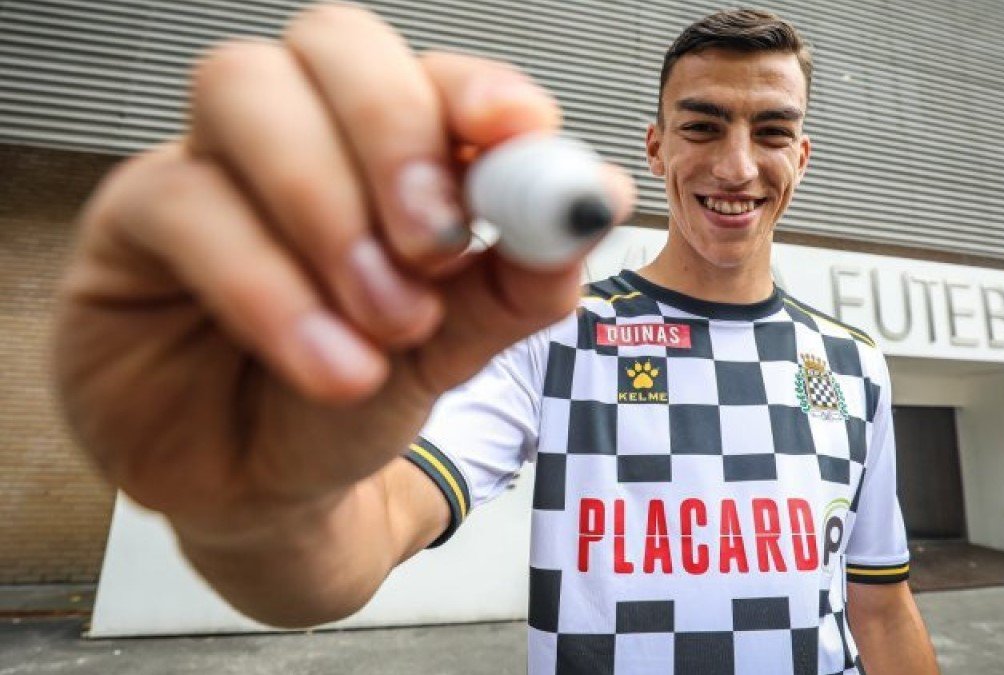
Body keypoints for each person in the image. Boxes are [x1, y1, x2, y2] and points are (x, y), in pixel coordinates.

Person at [53, 4, 938, 674]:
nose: (738, 165)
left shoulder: (852, 363)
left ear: (801, 157)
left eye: (772, 131)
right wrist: (253, 505)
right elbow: (368, 532)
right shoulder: (555, 333)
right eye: (703, 126)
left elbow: (882, 606)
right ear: (655, 148)